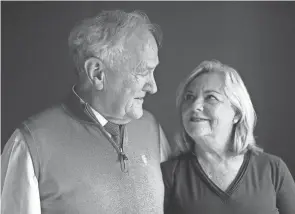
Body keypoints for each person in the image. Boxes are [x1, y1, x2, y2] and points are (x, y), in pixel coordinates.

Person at [1, 10, 172, 214]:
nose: (153, 87)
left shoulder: (152, 129)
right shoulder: (30, 144)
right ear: (97, 73)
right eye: (142, 72)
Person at [161, 60, 295, 214]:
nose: (195, 106)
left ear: (237, 113)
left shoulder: (273, 169)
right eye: (189, 97)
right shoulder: (169, 175)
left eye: (210, 97)